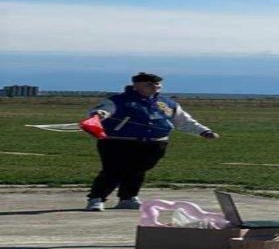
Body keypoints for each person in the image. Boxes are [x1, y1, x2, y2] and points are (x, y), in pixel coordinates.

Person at [84, 72, 220, 211]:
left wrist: (204, 131)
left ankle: (128, 198)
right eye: (150, 84)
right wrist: (99, 114)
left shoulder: (166, 103)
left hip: (155, 143)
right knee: (113, 170)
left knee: (138, 170)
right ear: (136, 85)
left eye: (157, 84)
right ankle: (96, 198)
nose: (155, 87)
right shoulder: (118, 100)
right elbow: (102, 110)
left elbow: (183, 121)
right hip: (118, 142)